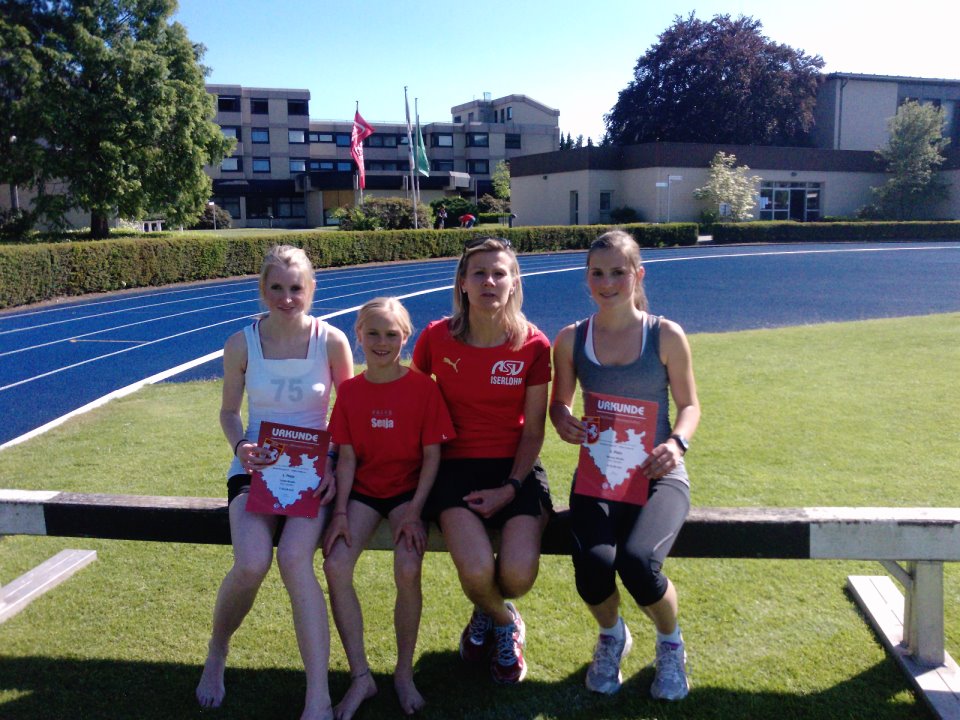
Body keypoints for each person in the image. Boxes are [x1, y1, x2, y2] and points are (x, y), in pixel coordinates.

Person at [196, 245, 354, 720]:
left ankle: (317, 698)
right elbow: (229, 412)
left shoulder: (332, 341)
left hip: (312, 472)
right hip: (256, 470)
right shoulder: (241, 343)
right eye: (277, 288)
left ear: (312, 289)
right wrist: (242, 446)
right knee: (251, 563)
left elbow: (347, 417)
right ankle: (217, 650)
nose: (287, 298)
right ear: (263, 289)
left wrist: (331, 466)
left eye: (296, 288)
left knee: (294, 558)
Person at [549, 229, 700, 700]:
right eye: (597, 273)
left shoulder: (666, 334)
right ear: (586, 278)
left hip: (658, 476)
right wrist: (563, 419)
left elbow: (690, 405)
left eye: (618, 272)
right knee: (593, 567)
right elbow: (559, 403)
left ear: (638, 275)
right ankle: (612, 636)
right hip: (600, 475)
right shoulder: (571, 339)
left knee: (637, 564)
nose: (607, 282)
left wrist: (676, 443)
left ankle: (670, 644)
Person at [411, 237, 552, 684]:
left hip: (514, 468)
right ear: (463, 283)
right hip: (455, 468)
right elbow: (412, 400)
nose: (489, 281)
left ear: (514, 283)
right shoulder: (436, 337)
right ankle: (506, 623)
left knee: (518, 575)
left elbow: (533, 431)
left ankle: (485, 610)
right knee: (475, 570)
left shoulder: (534, 345)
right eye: (479, 273)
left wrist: (510, 487)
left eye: (499, 273)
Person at [322, 297, 455, 719]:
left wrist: (415, 512)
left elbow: (432, 457)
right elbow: (346, 458)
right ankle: (361, 676)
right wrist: (340, 512)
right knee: (335, 565)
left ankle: (403, 672)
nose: (382, 342)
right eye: (373, 333)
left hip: (408, 495)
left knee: (408, 567)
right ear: (359, 336)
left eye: (391, 334)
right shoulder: (350, 391)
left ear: (406, 338)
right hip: (363, 493)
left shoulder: (423, 387)